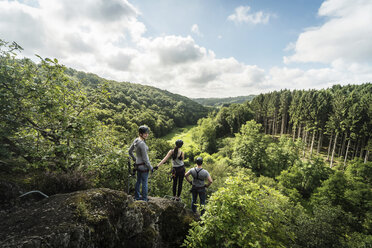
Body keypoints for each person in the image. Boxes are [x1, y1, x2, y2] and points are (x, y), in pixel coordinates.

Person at [128, 125, 153, 202]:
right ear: (140, 134)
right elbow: (145, 159)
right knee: (145, 183)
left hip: (138, 165)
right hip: (144, 166)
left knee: (138, 181)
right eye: (145, 133)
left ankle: (137, 197)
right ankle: (145, 199)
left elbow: (130, 151)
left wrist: (135, 159)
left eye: (147, 133)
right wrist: (151, 167)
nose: (147, 134)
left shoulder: (136, 140)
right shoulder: (142, 143)